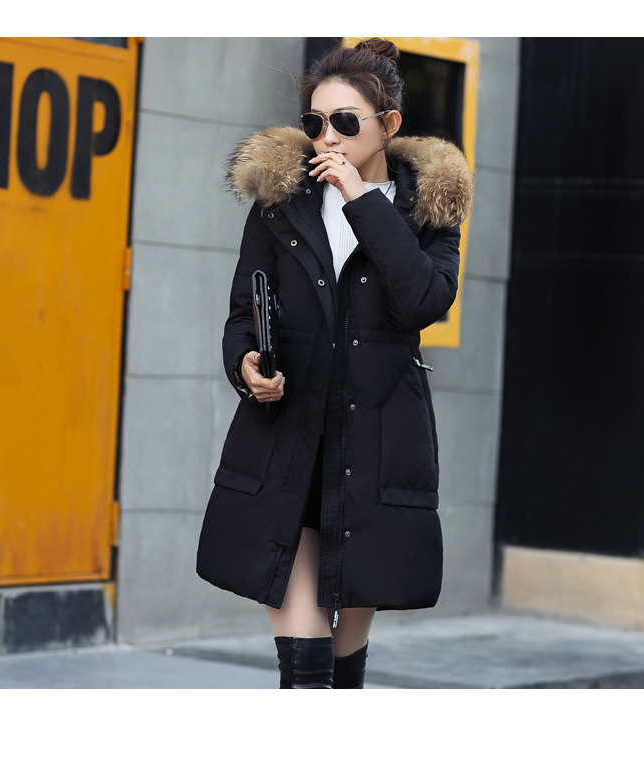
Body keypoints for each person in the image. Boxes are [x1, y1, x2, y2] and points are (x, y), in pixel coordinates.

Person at [196, 38, 474, 688]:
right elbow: (243, 314)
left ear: (388, 124)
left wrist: (361, 199)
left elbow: (424, 302)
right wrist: (246, 364)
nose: (327, 137)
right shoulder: (281, 200)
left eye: (345, 122)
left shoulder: (427, 209)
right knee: (306, 671)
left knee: (344, 678)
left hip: (372, 451)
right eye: (315, 121)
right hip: (288, 448)